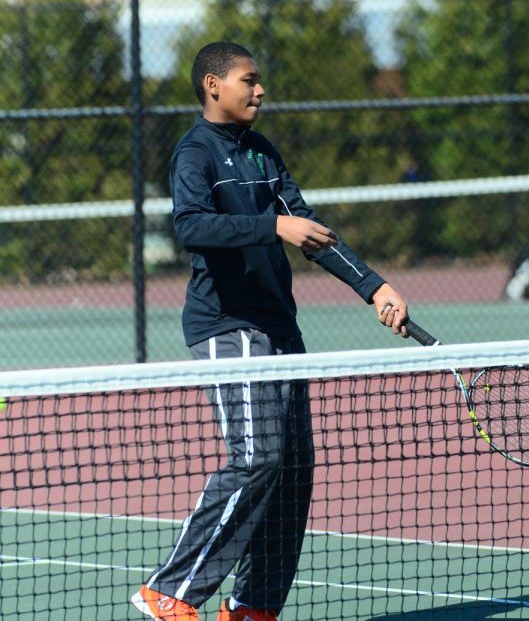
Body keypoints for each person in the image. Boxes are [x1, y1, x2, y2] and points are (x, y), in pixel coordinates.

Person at [132, 41, 409, 621]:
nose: (260, 91)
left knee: (292, 470)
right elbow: (192, 226)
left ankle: (255, 606)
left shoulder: (262, 153)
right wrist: (271, 225)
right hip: (226, 325)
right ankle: (171, 591)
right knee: (256, 455)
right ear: (213, 85)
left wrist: (375, 287)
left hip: (281, 327)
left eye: (260, 81)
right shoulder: (195, 153)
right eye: (248, 80)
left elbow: (309, 232)